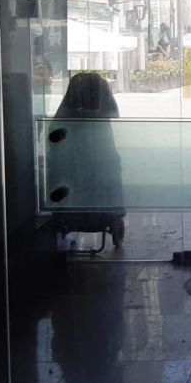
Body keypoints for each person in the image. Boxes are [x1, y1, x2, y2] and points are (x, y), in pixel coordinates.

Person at [48, 72, 125, 250]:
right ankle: (107, 217)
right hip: (99, 175)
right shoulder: (101, 118)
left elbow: (55, 140)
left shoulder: (65, 117)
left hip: (74, 176)